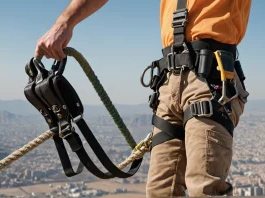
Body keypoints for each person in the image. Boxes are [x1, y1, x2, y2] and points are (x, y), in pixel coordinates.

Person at [34, 0, 252, 197]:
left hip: (210, 77)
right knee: (160, 191)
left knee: (204, 188)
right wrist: (64, 23)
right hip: (169, 79)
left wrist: (64, 24)